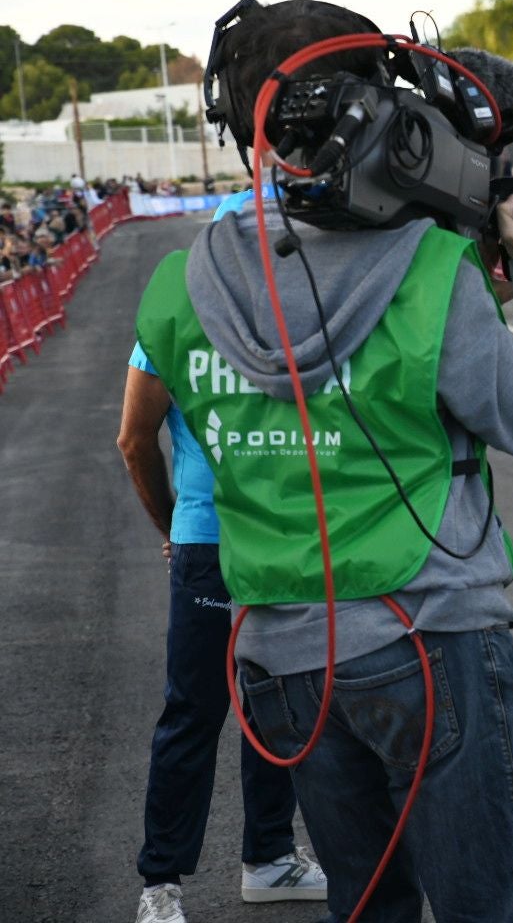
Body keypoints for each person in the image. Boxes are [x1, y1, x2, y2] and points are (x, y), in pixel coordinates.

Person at [135, 0, 513, 921]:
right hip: (429, 645)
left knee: (368, 908)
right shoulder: (426, 274)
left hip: (281, 662)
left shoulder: (179, 286)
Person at [120, 186, 328, 923]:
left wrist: (174, 527)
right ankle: (165, 882)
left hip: (244, 539)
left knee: (260, 708)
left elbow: (133, 439)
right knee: (216, 710)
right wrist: (176, 527)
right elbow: (133, 439)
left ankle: (259, 862)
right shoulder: (211, 313)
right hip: (245, 539)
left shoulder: (303, 309)